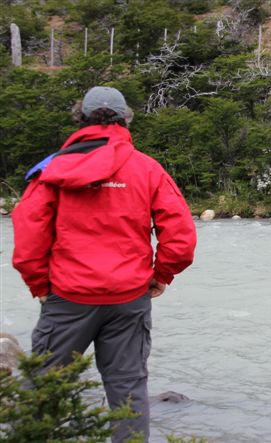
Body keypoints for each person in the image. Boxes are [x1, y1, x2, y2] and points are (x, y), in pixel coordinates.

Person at [12, 86, 197, 442]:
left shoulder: (53, 168)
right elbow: (181, 237)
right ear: (126, 118)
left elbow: (28, 236)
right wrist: (161, 275)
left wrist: (40, 287)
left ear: (80, 117)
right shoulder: (147, 169)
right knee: (128, 390)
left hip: (67, 297)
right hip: (129, 297)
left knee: (45, 389)